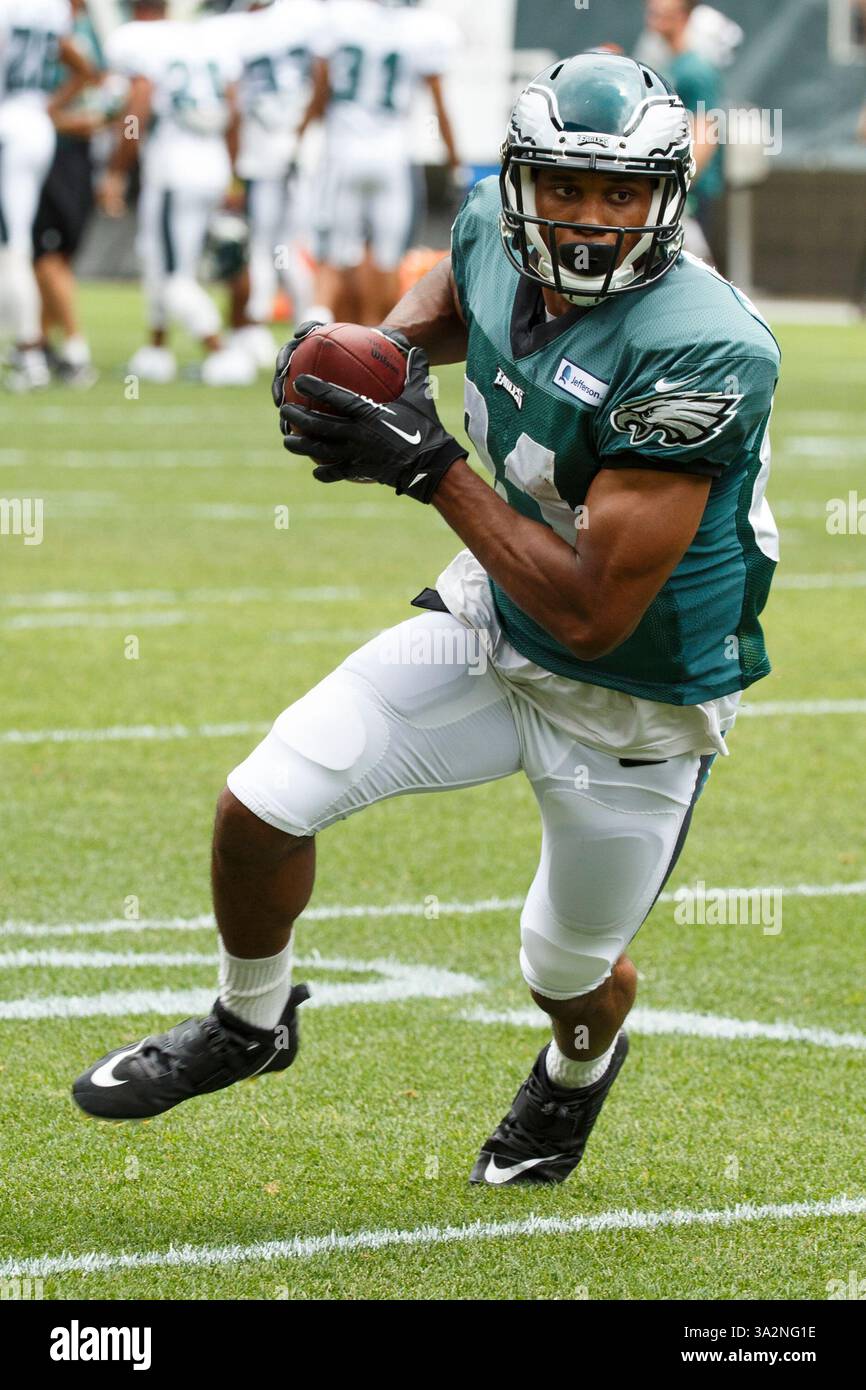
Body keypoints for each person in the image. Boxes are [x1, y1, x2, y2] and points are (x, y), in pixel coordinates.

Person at [72, 53, 781, 1189]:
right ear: (518, 185)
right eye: (561, 187)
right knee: (261, 803)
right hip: (489, 619)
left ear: (663, 199)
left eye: (615, 194)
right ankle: (249, 1023)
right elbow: (449, 303)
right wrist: (377, 361)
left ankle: (573, 1073)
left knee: (565, 965)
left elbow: (594, 612)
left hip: (632, 696)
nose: (588, 221)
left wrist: (428, 464)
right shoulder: (491, 234)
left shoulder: (705, 349)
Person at [100, 0, 255, 385]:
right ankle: (156, 349)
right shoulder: (201, 37)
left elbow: (138, 105)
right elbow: (234, 109)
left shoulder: (136, 39)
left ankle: (222, 353)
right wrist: (233, 173)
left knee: (172, 274)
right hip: (213, 164)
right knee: (159, 258)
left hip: (174, 169)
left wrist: (118, 167)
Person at [298, 0, 463, 326]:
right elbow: (439, 104)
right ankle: (376, 344)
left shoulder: (336, 16)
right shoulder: (424, 28)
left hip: (342, 153)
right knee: (388, 260)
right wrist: (455, 161)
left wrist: (299, 135)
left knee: (334, 258)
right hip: (393, 158)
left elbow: (320, 91)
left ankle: (322, 340)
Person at [214, 0, 323, 370]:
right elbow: (325, 76)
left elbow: (232, 104)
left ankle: (254, 329)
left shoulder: (233, 29)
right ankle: (313, 328)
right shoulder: (307, 16)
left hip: (263, 151)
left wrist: (231, 168)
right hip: (300, 148)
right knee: (289, 247)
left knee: (261, 245)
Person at [0, 0, 96, 390]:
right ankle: (30, 347)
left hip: (9, 125)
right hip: (35, 126)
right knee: (16, 242)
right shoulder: (53, 8)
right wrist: (46, 105)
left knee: (13, 244)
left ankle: (29, 351)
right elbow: (81, 63)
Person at [32, 0, 107, 387]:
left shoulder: (64, 26)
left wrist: (48, 111)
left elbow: (95, 80)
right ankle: (42, 342)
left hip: (58, 151)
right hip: (68, 151)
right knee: (49, 255)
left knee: (45, 252)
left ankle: (75, 349)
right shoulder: (81, 24)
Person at [638, 0, 729, 261]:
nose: (654, 14)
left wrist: (681, 184)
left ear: (683, 15)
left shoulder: (696, 70)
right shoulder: (670, 64)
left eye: (662, 11)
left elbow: (706, 130)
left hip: (690, 193)